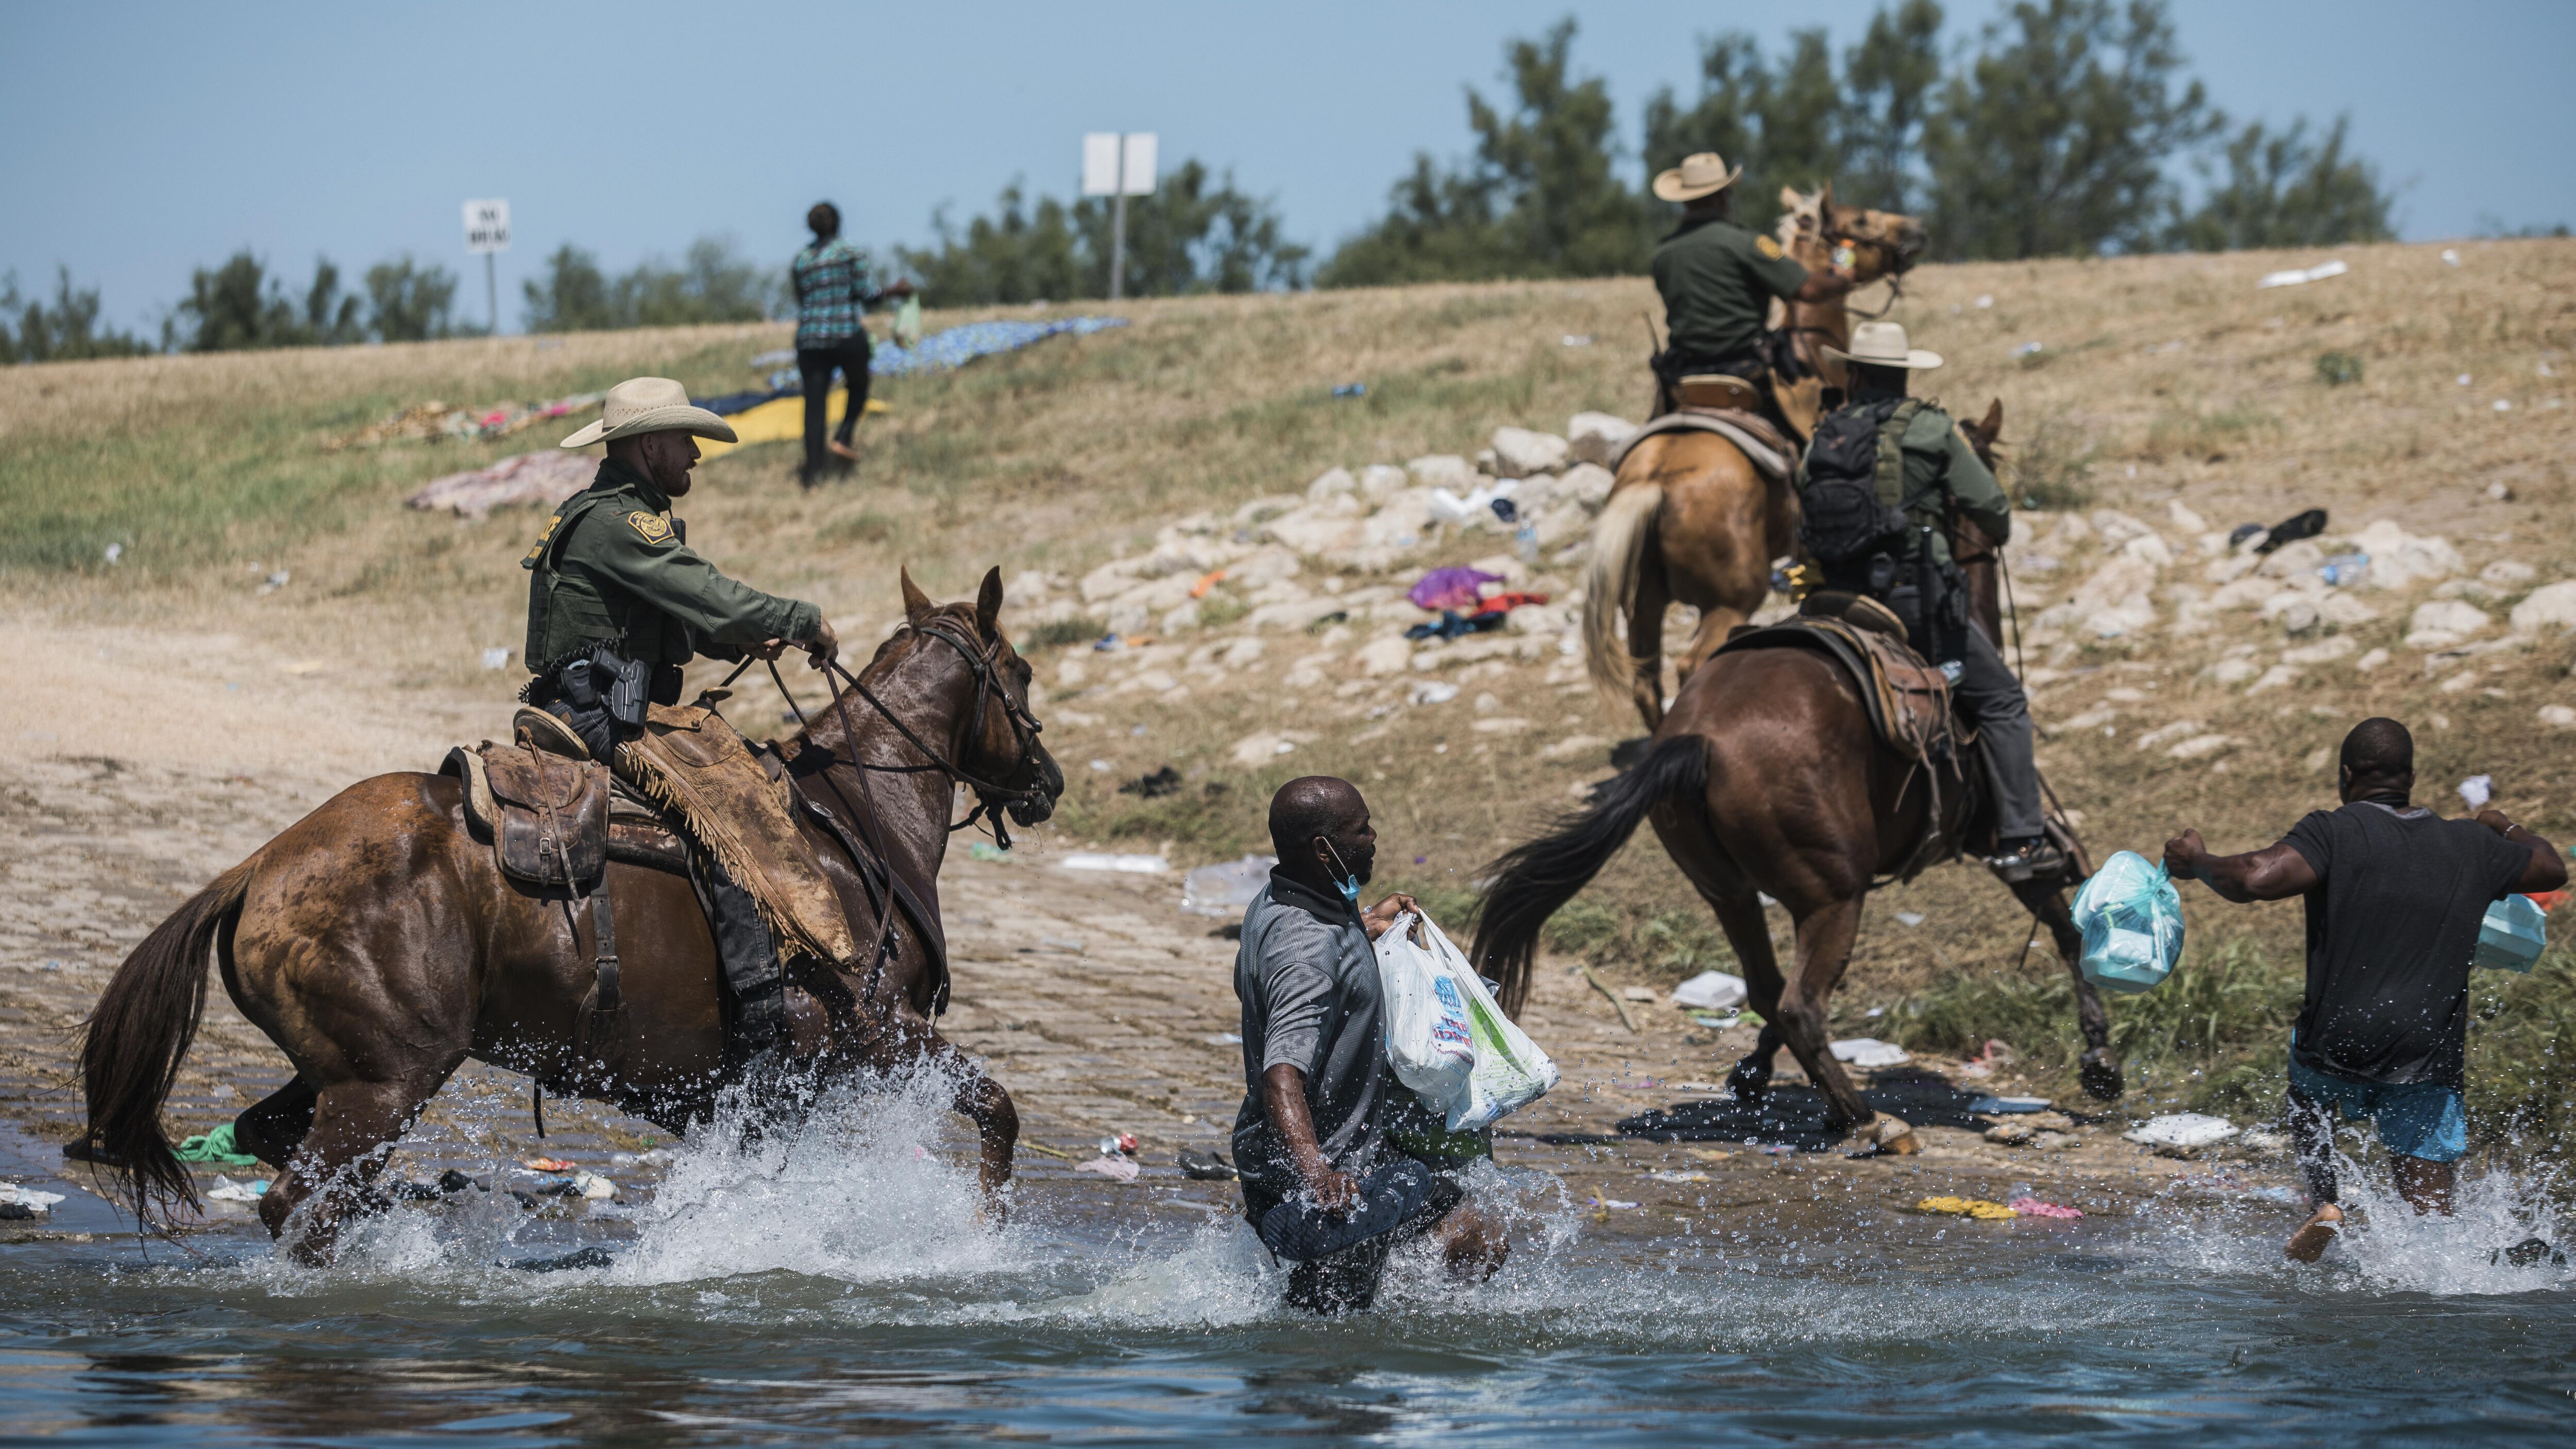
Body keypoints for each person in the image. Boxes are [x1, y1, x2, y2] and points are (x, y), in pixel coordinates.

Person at [2164, 718, 2565, 1264]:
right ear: (2411, 776)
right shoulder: (2470, 842)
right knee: (2431, 1216)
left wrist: (2197, 862)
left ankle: (2323, 1202)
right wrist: (2503, 824)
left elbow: (2255, 877)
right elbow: (2550, 867)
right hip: (2424, 1052)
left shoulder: (2334, 830)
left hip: (2337, 1041)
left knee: (2306, 1081)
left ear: (2345, 774)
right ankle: (2444, 1257)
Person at [525, 376, 842, 1058]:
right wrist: (801, 619)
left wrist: (736, 641)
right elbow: (708, 595)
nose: (696, 453)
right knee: (735, 810)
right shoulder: (621, 522)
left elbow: (674, 620)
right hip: (599, 719)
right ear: (647, 446)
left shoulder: (609, 513)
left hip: (594, 705)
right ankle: (761, 1017)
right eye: (685, 438)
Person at [1230, 776, 1508, 1312]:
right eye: (1360, 829)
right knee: (1473, 1238)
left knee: (1331, 1306)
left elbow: (1311, 951)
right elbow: (1281, 1073)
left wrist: (1365, 924)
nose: (1373, 835)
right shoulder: (1307, 951)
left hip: (1296, 1156)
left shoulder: (1279, 899)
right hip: (1332, 1169)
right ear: (1322, 849)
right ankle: (1398, 1332)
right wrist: (1318, 1176)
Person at [1794, 320, 2057, 880]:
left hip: (1831, 599)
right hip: (1912, 603)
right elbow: (1991, 511)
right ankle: (2023, 839)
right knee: (2004, 701)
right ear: (1904, 373)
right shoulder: (1932, 427)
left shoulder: (1825, 432)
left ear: (1854, 374)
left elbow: (1802, 506)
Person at [1648, 150, 1853, 415]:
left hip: (1684, 371)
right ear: (1723, 197)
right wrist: (1843, 276)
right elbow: (1809, 290)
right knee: (1808, 437)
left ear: (1686, 202)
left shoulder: (1663, 254)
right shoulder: (1745, 244)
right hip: (1744, 369)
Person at [790, 201, 911, 486]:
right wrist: (895, 291)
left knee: (814, 405)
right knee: (858, 384)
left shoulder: (802, 260)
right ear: (837, 223)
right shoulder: (850, 251)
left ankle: (813, 475)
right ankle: (844, 435)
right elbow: (865, 294)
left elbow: (801, 298)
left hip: (810, 339)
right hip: (845, 335)